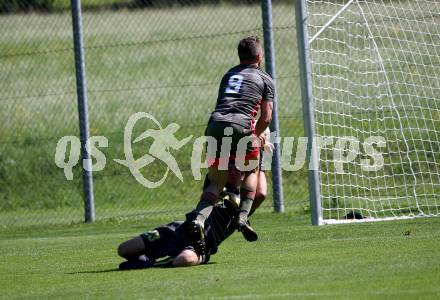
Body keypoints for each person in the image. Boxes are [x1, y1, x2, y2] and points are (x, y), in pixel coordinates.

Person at [189, 36, 274, 245]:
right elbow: (266, 117)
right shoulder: (264, 79)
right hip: (241, 126)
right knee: (252, 170)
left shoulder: (228, 74)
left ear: (240, 56)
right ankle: (243, 217)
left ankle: (199, 219)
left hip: (215, 126)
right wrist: (255, 135)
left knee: (215, 184)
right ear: (260, 56)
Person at [117, 182, 266, 270]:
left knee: (185, 259)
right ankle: (145, 257)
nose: (233, 172)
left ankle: (151, 264)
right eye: (230, 168)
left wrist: (262, 155)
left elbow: (261, 193)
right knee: (124, 249)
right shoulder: (216, 183)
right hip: (178, 230)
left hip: (201, 244)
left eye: (238, 170)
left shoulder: (245, 206)